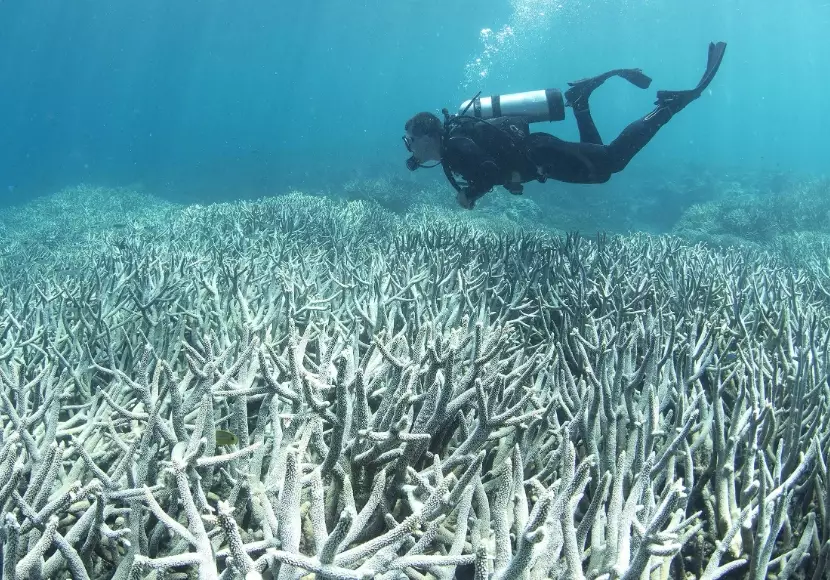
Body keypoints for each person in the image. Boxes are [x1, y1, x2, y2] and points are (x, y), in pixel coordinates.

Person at [403, 42, 727, 209]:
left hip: (541, 154)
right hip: (537, 153)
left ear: (427, 136)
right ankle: (581, 101)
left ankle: (668, 109)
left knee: (610, 163)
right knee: (600, 163)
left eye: (410, 141)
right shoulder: (455, 143)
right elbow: (495, 163)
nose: (410, 148)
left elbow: (487, 169)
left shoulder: (455, 147)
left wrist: (469, 195)